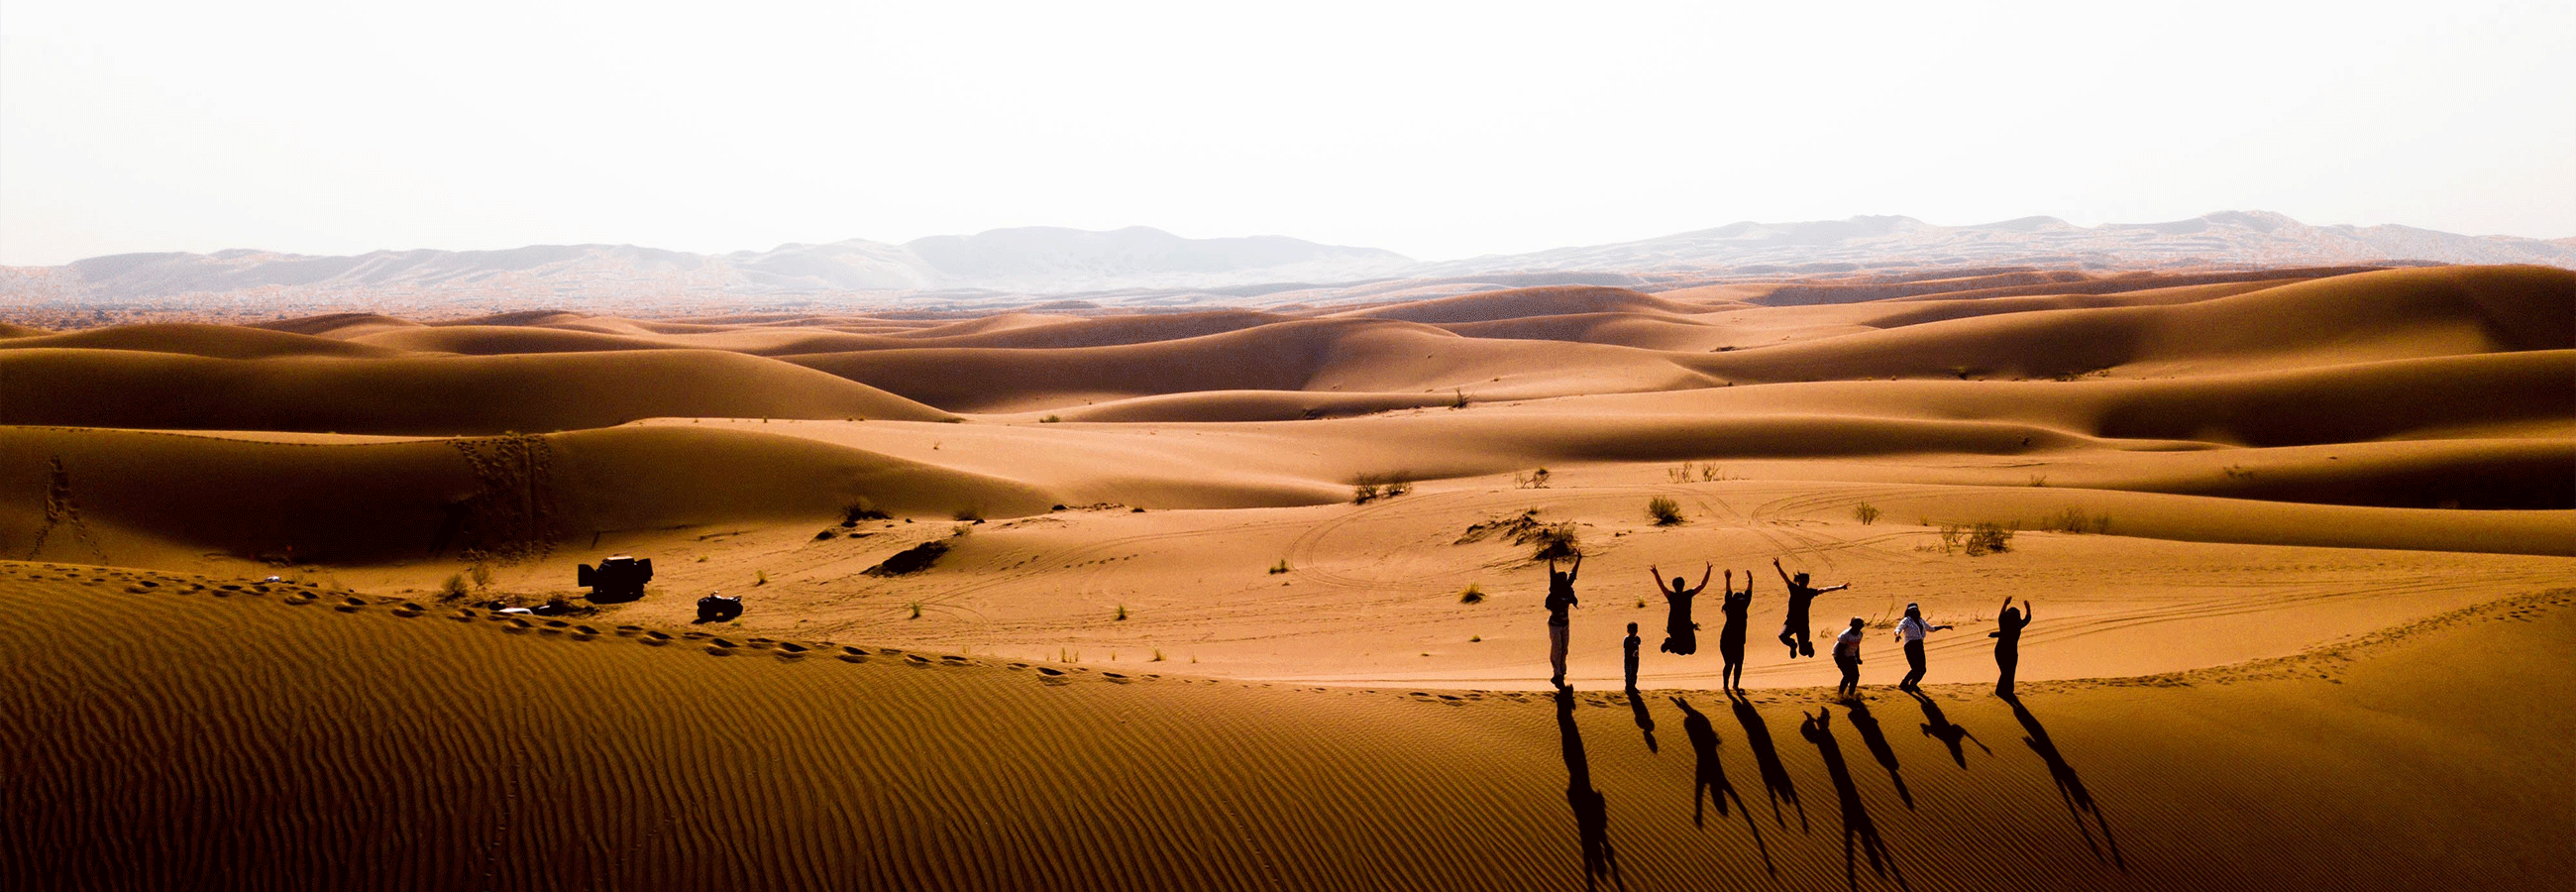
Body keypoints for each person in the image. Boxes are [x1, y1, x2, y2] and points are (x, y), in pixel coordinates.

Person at [1774, 558, 1850, 658]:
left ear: (1808, 582)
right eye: (1802, 580)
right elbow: (1785, 577)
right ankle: (1793, 645)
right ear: (1798, 581)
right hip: (1791, 622)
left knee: (1803, 652)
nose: (1803, 582)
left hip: (1803, 625)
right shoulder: (1794, 589)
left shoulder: (1810, 592)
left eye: (1805, 581)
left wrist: (1839, 587)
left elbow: (1824, 590)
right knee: (1782, 636)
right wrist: (1778, 566)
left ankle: (1808, 646)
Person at [1650, 563, 1711, 656]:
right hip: (1684, 626)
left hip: (1675, 627)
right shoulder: (1688, 594)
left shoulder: (1671, 596)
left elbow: (1662, 586)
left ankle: (1670, 644)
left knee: (1683, 651)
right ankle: (1669, 643)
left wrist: (1656, 573)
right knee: (1690, 650)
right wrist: (1708, 571)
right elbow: (1702, 585)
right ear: (1683, 585)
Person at [1890, 604, 1954, 691]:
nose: (1914, 612)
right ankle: (1904, 684)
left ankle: (1913, 684)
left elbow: (1931, 628)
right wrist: (1897, 635)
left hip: (1919, 646)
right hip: (1910, 646)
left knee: (1922, 669)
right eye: (1912, 611)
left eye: (1916, 610)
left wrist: (1943, 626)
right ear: (1909, 612)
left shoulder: (1921, 620)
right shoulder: (1906, 620)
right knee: (1915, 668)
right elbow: (1898, 629)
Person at [1546, 554, 1582, 688]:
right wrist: (1550, 559)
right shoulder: (1555, 589)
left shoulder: (1567, 588)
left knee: (1564, 650)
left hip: (1565, 624)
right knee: (1557, 649)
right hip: (1554, 624)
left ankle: (1561, 672)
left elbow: (1573, 574)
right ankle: (1557, 675)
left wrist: (1579, 559)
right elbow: (1551, 573)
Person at [1718, 569, 1754, 691]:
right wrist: (1750, 580)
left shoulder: (1741, 605)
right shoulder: (1731, 605)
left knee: (1737, 664)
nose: (1741, 601)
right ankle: (1726, 686)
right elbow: (1730, 592)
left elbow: (1747, 594)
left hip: (1738, 641)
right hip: (1727, 640)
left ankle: (1734, 686)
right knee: (1730, 664)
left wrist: (1750, 580)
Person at [1990, 597, 2031, 697]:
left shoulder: (2003, 623)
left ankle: (2006, 690)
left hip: (2000, 651)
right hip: (2010, 652)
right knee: (2008, 672)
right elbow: (2028, 618)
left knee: (2006, 672)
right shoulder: (2018, 625)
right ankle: (2003, 691)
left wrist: (2005, 603)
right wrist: (2028, 608)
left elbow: (2001, 615)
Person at [1831, 617, 1867, 698]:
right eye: (1857, 626)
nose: (1859, 627)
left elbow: (1856, 646)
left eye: (1860, 626)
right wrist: (1841, 663)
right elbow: (1840, 650)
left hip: (1850, 656)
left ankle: (1851, 694)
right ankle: (1840, 695)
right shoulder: (1845, 635)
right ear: (1852, 625)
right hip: (1840, 656)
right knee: (1847, 676)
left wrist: (1858, 658)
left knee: (1856, 676)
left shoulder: (1860, 634)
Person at [1623, 621, 1643, 691]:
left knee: (1634, 673)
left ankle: (1633, 686)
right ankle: (1628, 687)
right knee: (1628, 673)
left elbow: (1639, 642)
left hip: (1635, 659)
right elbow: (1626, 646)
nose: (1633, 633)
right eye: (1631, 631)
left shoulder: (1637, 638)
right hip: (1628, 660)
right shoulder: (1627, 639)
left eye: (1635, 631)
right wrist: (1632, 644)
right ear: (1628, 631)